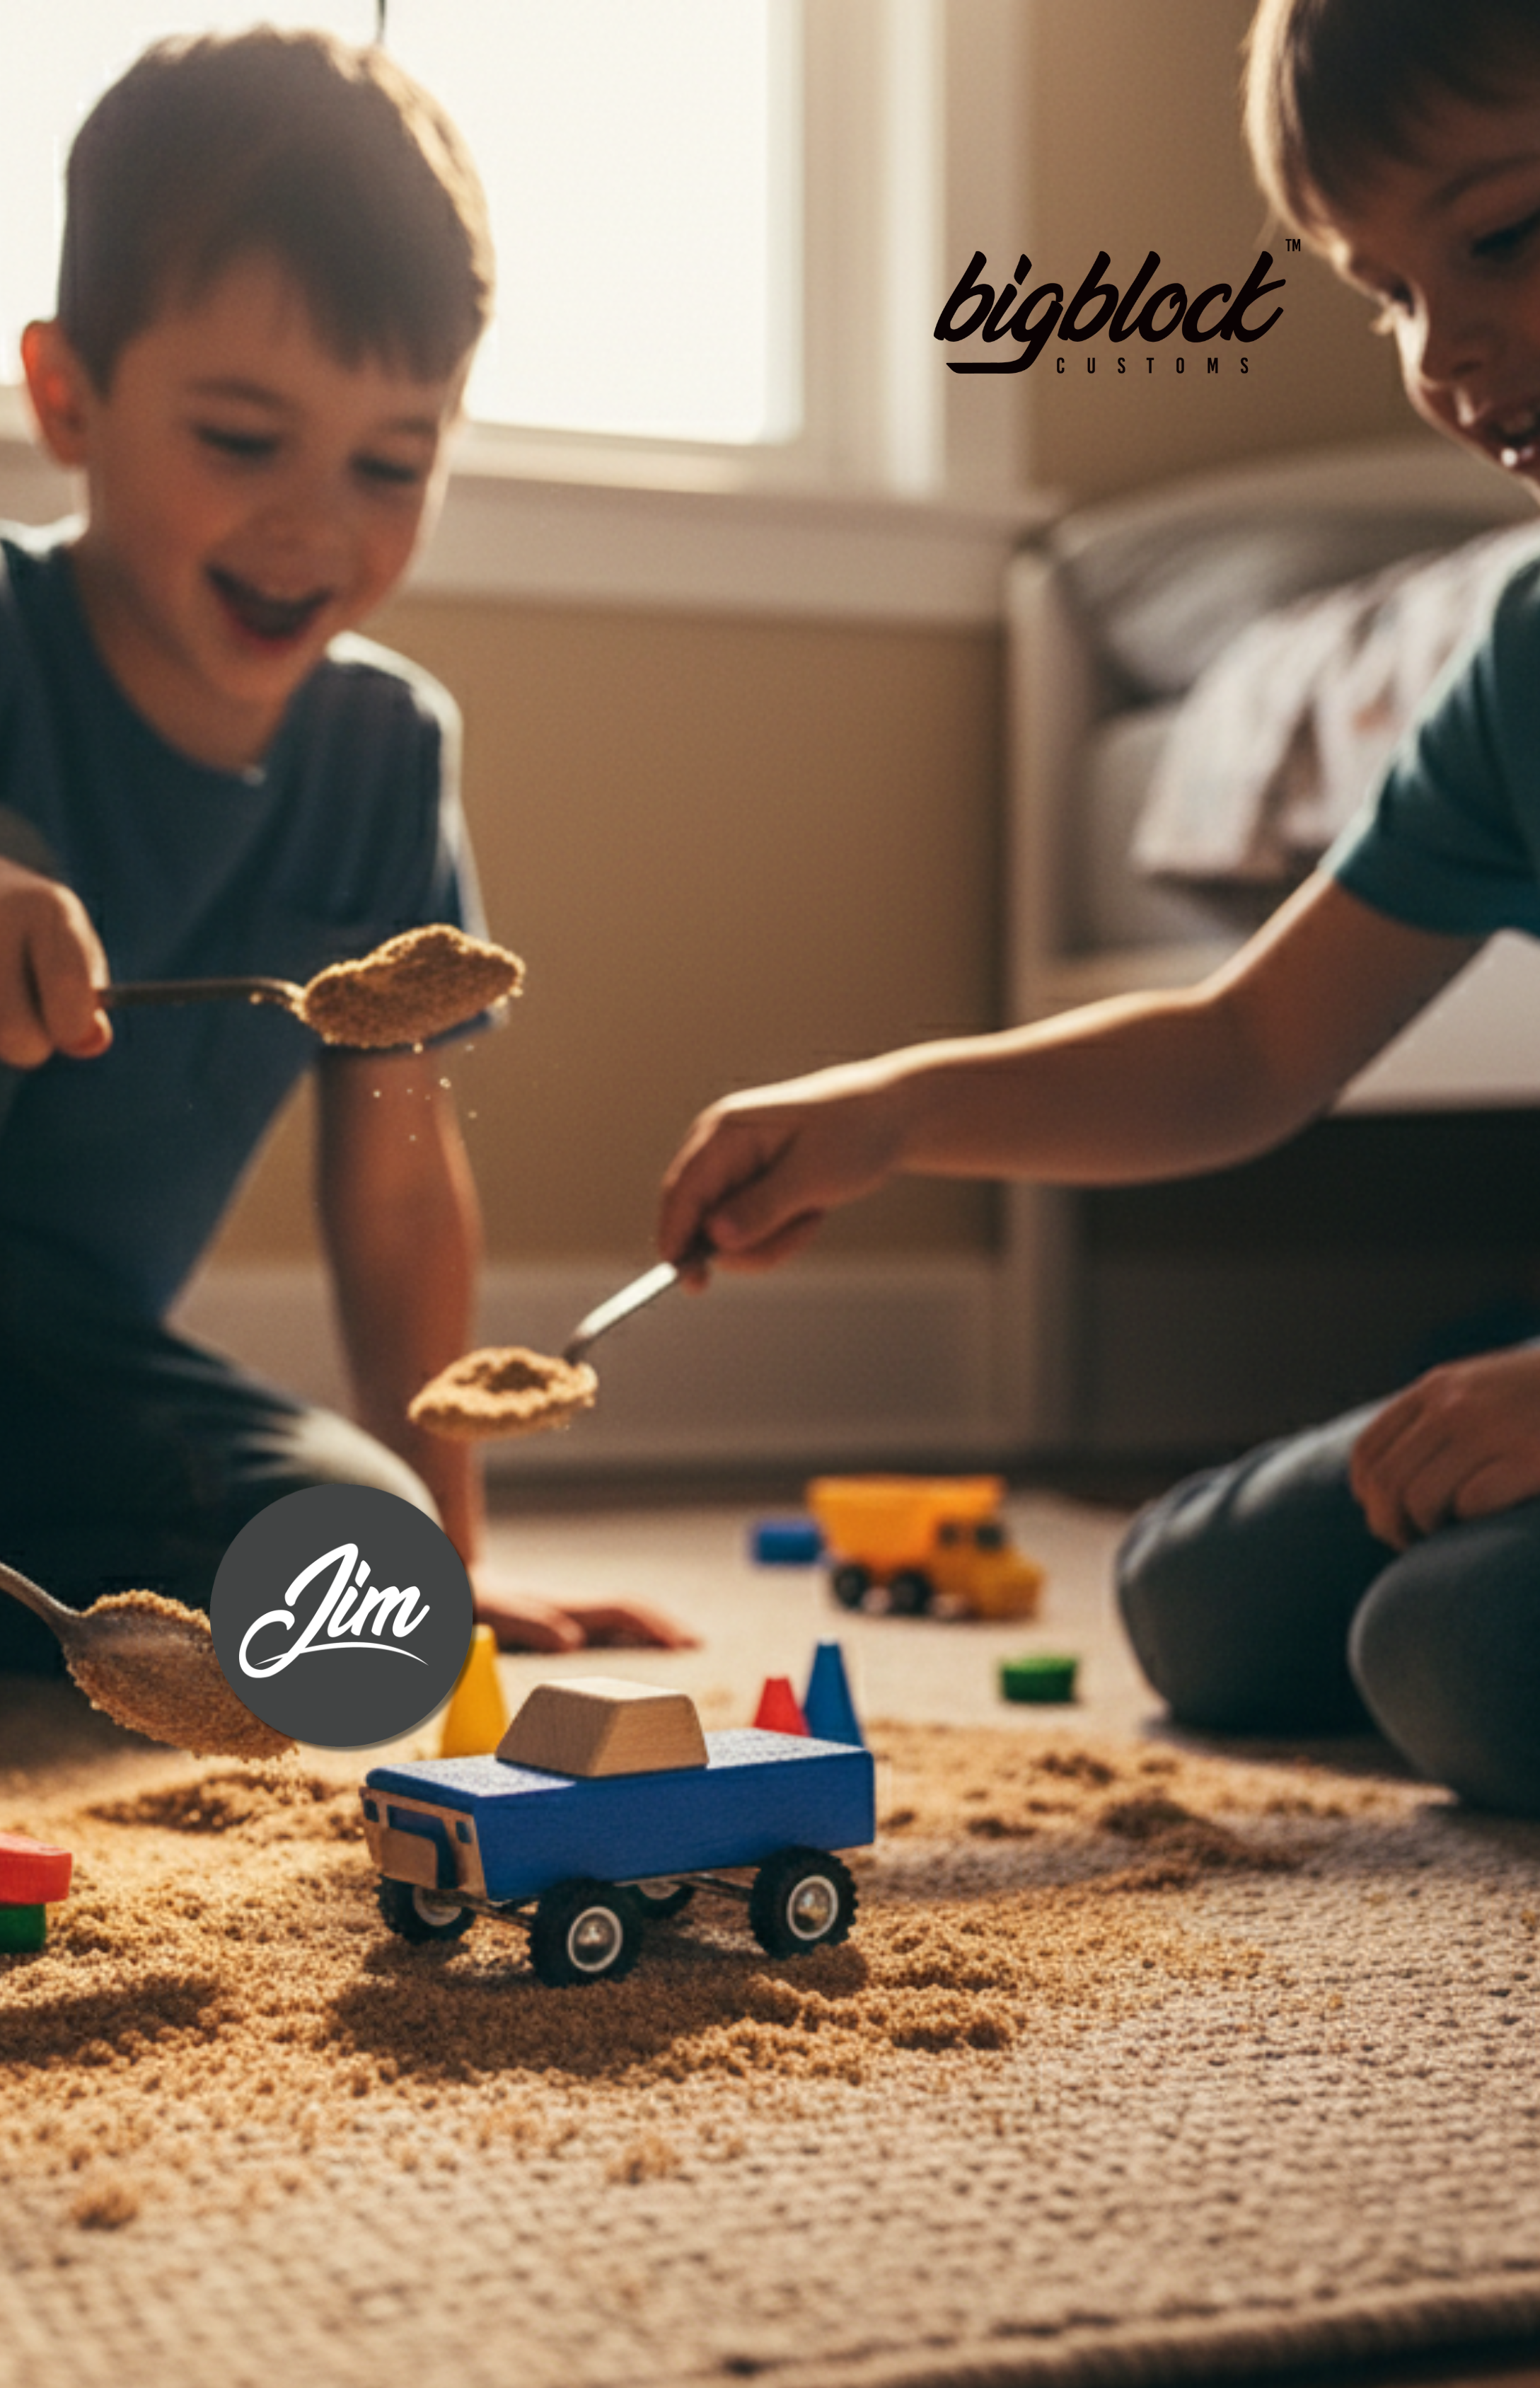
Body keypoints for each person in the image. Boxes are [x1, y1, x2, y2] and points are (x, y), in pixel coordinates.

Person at [0, 28, 689, 1668]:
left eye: (391, 464)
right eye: (241, 441)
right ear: (68, 395)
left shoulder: (385, 751)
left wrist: (451, 1564)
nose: (315, 525)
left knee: (363, 1587)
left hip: (56, 1375)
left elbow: (396, 1194)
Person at [656, 0, 1540, 1816]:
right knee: (1194, 1594)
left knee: (1449, 1653)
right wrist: (895, 1111)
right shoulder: (1518, 663)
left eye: (1504, 235)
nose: (1442, 355)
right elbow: (1244, 1048)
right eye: (1383, 291)